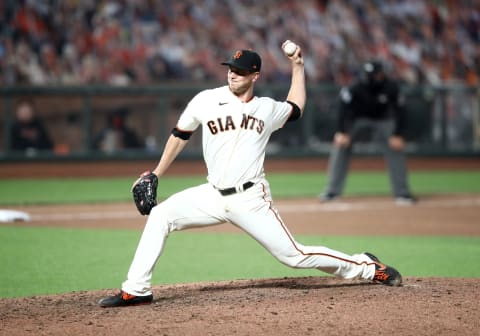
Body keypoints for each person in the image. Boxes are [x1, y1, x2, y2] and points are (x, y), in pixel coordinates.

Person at [98, 43, 402, 308]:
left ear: (255, 76)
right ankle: (136, 290)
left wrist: (297, 66)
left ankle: (366, 266)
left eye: (240, 71)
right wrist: (156, 172)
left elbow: (296, 107)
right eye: (231, 68)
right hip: (212, 194)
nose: (233, 74)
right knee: (161, 215)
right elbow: (181, 133)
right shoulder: (206, 99)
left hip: (250, 199)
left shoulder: (266, 109)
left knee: (293, 256)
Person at [319, 60, 416, 205]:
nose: (372, 77)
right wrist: (341, 132)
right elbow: (342, 109)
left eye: (375, 74)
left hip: (383, 120)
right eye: (370, 74)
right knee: (340, 146)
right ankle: (332, 191)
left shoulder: (391, 86)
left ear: (381, 74)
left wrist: (398, 134)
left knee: (396, 148)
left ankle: (402, 193)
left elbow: (401, 111)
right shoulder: (355, 87)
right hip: (357, 120)